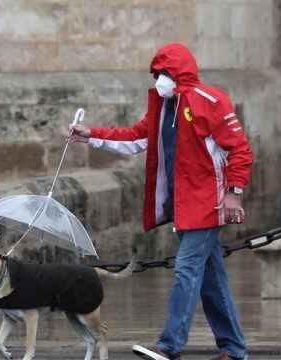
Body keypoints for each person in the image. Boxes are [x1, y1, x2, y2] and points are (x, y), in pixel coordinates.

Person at [69, 43, 253, 360]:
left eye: (164, 73)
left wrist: (234, 192)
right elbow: (137, 137)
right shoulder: (164, 105)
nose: (158, 80)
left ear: (178, 74)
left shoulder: (210, 101)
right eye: (156, 74)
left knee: (186, 270)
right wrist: (91, 135)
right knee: (211, 280)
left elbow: (240, 149)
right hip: (183, 204)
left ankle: (169, 346)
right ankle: (234, 349)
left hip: (208, 203)